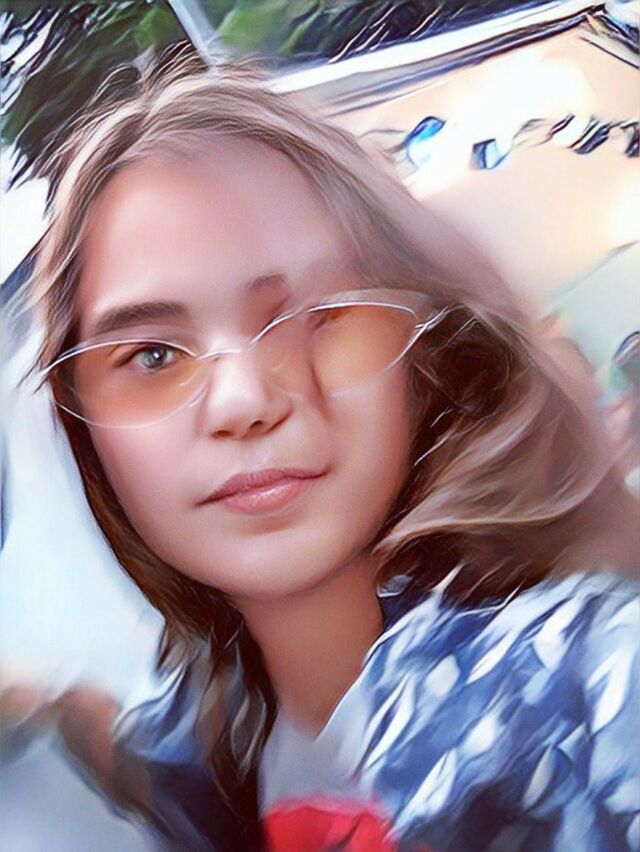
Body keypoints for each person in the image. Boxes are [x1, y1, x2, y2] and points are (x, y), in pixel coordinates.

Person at [10, 45, 639, 851]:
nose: (244, 400)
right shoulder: (202, 745)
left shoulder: (590, 687)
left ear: (429, 350)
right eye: (153, 355)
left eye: (322, 314)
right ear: (84, 431)